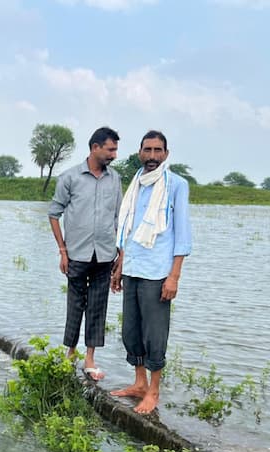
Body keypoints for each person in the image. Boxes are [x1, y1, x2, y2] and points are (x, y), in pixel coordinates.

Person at [110, 130, 192, 414]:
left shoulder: (177, 186)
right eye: (148, 150)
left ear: (166, 154)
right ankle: (139, 383)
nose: (153, 156)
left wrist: (174, 276)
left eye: (158, 151)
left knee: (154, 334)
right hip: (133, 268)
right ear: (140, 153)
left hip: (158, 273)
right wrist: (119, 267)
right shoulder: (135, 184)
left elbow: (182, 235)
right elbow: (127, 230)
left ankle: (154, 391)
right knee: (131, 330)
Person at [48, 127, 123, 381]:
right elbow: (54, 213)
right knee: (75, 304)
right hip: (76, 253)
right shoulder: (70, 178)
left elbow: (118, 218)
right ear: (95, 148)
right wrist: (62, 250)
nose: (114, 154)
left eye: (115, 149)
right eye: (110, 149)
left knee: (98, 307)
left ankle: (89, 358)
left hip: (104, 255)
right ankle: (70, 352)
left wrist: (120, 256)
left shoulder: (114, 179)